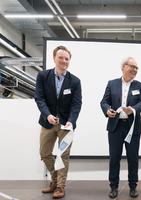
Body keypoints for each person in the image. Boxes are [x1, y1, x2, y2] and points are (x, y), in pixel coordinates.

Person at [34, 45, 82, 199]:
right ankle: (54, 180)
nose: (63, 61)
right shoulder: (43, 76)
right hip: (47, 122)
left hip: (65, 125)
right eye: (61, 57)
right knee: (44, 153)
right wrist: (47, 114)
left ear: (69, 61)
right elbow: (39, 98)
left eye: (66, 58)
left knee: (63, 155)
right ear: (54, 58)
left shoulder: (75, 81)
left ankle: (60, 187)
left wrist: (71, 121)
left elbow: (76, 104)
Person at [100, 57, 141, 199]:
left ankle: (133, 186)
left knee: (133, 158)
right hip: (115, 127)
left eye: (136, 68)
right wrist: (107, 110)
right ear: (123, 67)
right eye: (132, 66)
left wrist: (132, 109)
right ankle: (113, 187)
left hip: (133, 127)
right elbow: (104, 102)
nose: (134, 70)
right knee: (114, 158)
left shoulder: (140, 86)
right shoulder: (112, 83)